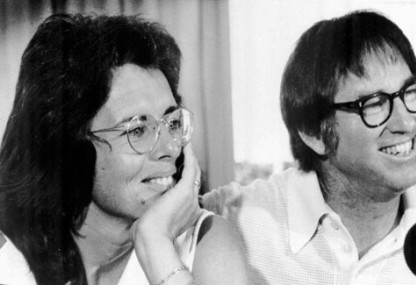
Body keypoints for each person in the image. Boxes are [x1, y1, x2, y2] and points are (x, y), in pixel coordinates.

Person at [0, 14, 248, 285]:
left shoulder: (206, 243)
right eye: (138, 129)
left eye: (172, 122)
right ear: (70, 145)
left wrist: (156, 246)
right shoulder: (8, 255)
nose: (170, 148)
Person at [203, 10, 416, 284]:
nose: (407, 122)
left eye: (410, 92)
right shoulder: (231, 219)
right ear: (314, 133)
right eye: (374, 103)